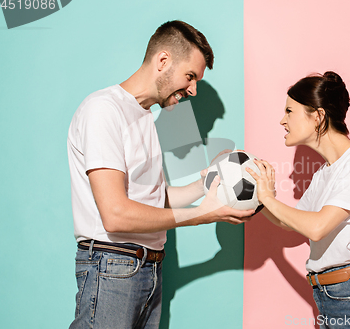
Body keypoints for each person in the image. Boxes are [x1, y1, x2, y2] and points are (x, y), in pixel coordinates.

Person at [67, 20, 254, 329]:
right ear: (163, 61)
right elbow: (115, 215)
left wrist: (205, 180)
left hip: (148, 268)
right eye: (190, 76)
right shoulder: (104, 110)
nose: (193, 90)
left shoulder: (143, 117)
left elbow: (153, 199)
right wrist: (203, 214)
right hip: (113, 265)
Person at [247, 71, 350, 329]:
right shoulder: (324, 173)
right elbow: (290, 223)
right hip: (331, 297)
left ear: (317, 116)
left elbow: (317, 227)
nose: (282, 120)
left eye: (289, 111)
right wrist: (257, 194)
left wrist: (267, 199)